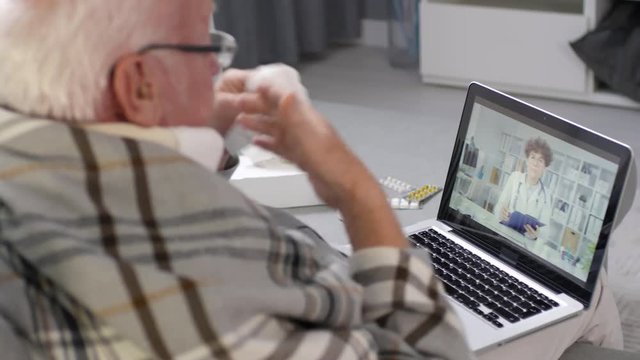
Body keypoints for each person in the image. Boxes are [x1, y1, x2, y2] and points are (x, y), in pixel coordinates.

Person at [0, 1, 622, 359]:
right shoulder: (208, 289)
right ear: (138, 85)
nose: (223, 64)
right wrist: (351, 185)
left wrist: (199, 121)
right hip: (374, 321)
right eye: (205, 48)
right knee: (585, 288)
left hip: (324, 277)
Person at [495, 137, 553, 241]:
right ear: (527, 161)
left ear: (545, 167)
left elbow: (546, 231)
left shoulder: (546, 194)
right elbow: (498, 207)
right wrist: (500, 213)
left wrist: (538, 233)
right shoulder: (514, 178)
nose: (535, 163)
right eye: (532, 157)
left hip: (526, 245)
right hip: (504, 237)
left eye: (540, 160)